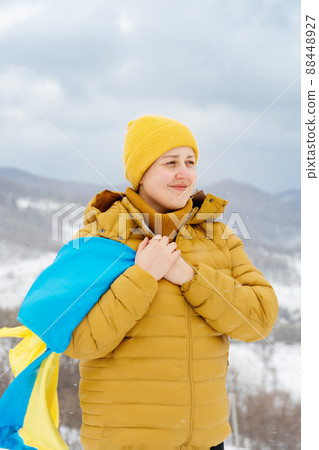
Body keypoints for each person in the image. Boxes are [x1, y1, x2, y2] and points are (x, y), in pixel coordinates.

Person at [65, 114, 278, 449]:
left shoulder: (217, 235)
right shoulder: (101, 236)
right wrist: (143, 276)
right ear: (142, 173)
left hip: (206, 440)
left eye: (191, 161)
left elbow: (260, 320)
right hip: (128, 442)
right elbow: (78, 340)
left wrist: (191, 277)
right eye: (170, 162)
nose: (185, 173)